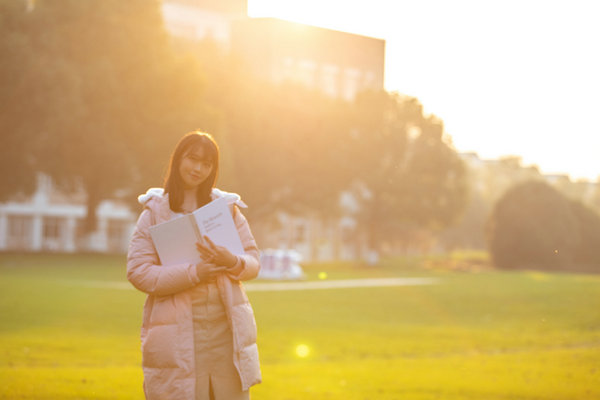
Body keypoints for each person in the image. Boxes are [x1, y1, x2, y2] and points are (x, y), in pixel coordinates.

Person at [127, 131, 261, 400]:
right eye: (193, 159)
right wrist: (194, 273)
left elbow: (253, 261)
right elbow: (139, 272)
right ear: (178, 160)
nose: (198, 168)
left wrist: (232, 261)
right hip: (178, 335)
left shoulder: (227, 209)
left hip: (226, 333)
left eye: (207, 164)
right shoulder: (154, 212)